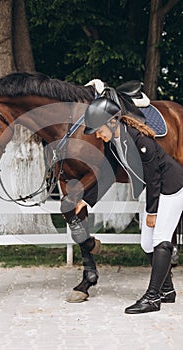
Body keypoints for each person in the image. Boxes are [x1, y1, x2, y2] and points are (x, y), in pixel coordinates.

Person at [82, 97, 183, 314]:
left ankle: (152, 298)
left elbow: (154, 177)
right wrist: (86, 199)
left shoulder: (140, 140)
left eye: (98, 130)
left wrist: (152, 212)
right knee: (147, 244)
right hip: (157, 191)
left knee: (160, 239)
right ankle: (167, 290)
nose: (98, 135)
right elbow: (108, 175)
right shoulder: (115, 143)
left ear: (111, 122)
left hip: (173, 188)